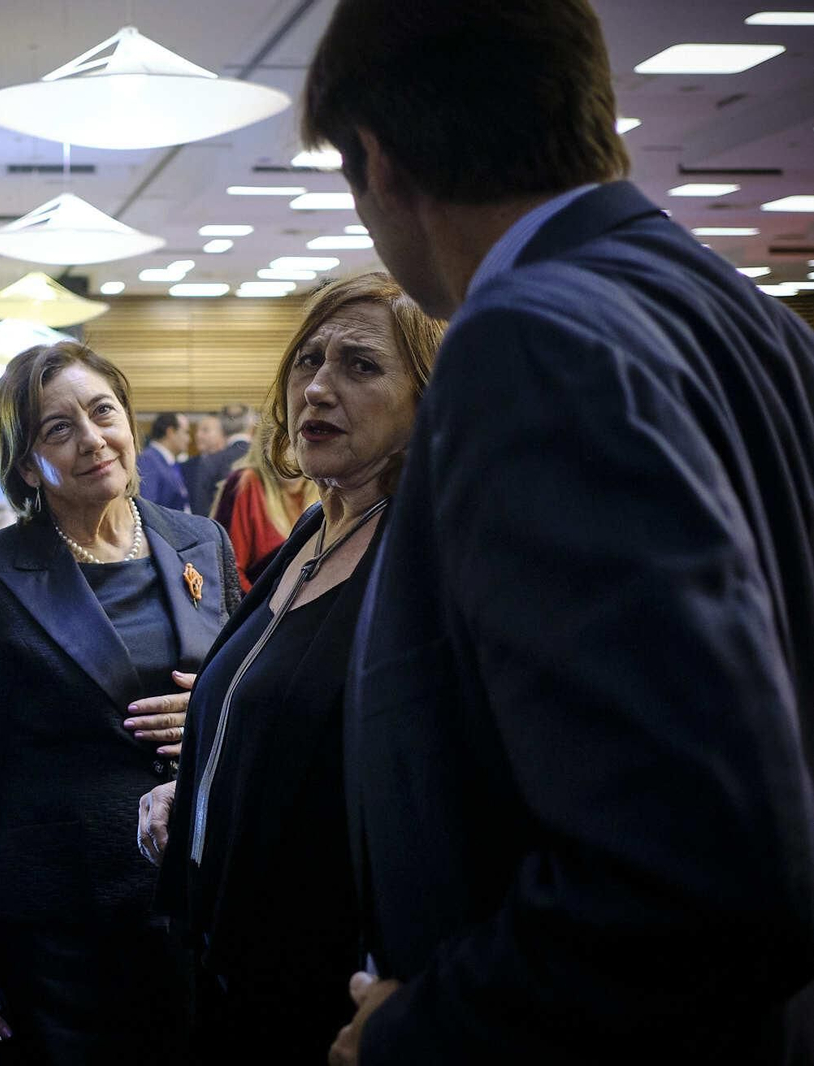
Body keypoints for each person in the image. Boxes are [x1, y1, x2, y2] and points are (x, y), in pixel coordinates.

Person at [298, 2, 814, 1062]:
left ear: (380, 164)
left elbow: (685, 868)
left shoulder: (527, 338)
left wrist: (416, 1030)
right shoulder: (752, 319)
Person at [137, 273, 442, 1062]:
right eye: (308, 362)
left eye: (361, 366)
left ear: (430, 396)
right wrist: (199, 782)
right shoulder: (315, 526)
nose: (318, 388)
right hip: (225, 951)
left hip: (332, 988)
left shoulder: (426, 556)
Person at [0, 341, 241, 1064]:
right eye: (57, 429)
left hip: (198, 908)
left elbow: (239, 691)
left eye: (103, 412)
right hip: (61, 935)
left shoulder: (199, 541)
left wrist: (217, 708)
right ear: (23, 464)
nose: (92, 440)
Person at [208, 421, 316, 591]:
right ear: (266, 448)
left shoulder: (322, 488)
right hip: (258, 609)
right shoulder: (247, 482)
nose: (292, 454)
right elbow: (229, 570)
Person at [187, 406, 252, 517]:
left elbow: (200, 510)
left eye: (205, 430)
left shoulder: (211, 461)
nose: (198, 435)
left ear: (222, 428)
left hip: (221, 530)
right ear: (250, 424)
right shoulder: (264, 457)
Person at [137, 411, 190, 511]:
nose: (189, 439)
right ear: (171, 432)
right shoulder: (148, 460)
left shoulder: (168, 462)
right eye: (186, 432)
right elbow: (147, 507)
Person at [179, 414, 226, 518]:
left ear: (222, 434)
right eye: (197, 431)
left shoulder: (229, 464)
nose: (198, 435)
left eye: (205, 430)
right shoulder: (186, 466)